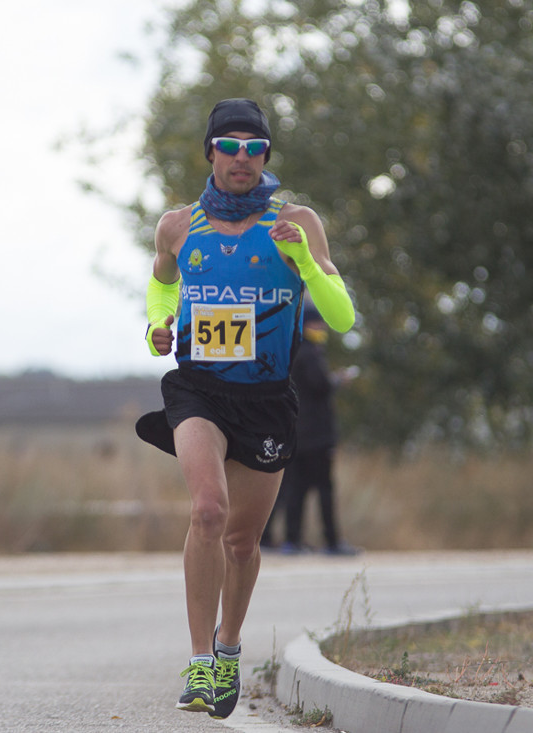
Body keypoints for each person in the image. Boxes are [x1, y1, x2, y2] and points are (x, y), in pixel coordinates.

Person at [134, 98, 355, 718]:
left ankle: (229, 647)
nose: (241, 158)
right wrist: (157, 326)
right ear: (210, 152)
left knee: (240, 540)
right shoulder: (178, 226)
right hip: (198, 389)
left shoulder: (296, 221)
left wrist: (306, 261)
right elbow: (160, 285)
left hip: (264, 400)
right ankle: (200, 661)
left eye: (253, 148)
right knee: (207, 510)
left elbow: (341, 314)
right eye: (228, 147)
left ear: (266, 157)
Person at [261, 302, 360, 556]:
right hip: (317, 436)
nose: (321, 328)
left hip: (296, 433)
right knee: (324, 489)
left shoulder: (291, 352)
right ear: (306, 326)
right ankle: (332, 542)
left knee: (296, 489)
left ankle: (291, 540)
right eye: (317, 323)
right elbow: (321, 386)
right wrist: (337, 380)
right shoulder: (311, 353)